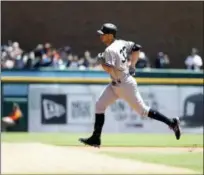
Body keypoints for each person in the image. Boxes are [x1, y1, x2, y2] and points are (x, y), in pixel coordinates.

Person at [79, 23, 181, 147]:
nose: (101, 36)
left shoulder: (110, 50)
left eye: (103, 34)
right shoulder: (121, 42)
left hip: (125, 85)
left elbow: (110, 69)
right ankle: (96, 138)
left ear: (110, 36)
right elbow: (137, 48)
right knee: (99, 105)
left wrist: (101, 61)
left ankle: (172, 123)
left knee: (143, 111)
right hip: (115, 84)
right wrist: (132, 65)